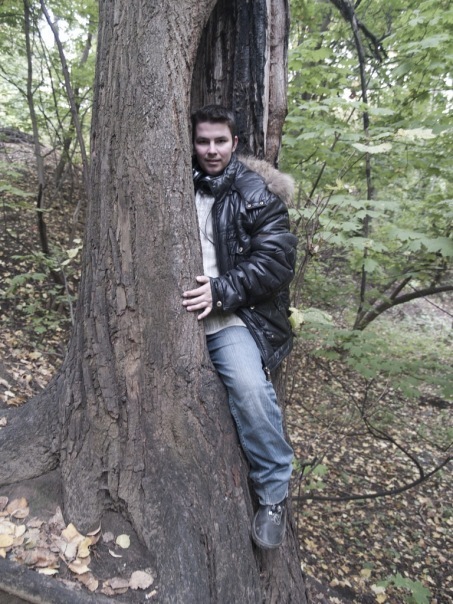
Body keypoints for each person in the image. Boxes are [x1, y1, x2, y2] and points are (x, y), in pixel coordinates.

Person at [182, 104, 297, 549]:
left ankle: (273, 493)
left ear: (234, 143)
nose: (211, 150)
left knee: (250, 388)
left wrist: (220, 291)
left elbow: (276, 262)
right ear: (193, 144)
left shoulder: (256, 193)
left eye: (220, 141)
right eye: (203, 141)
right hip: (171, 319)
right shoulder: (175, 183)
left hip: (228, 317)